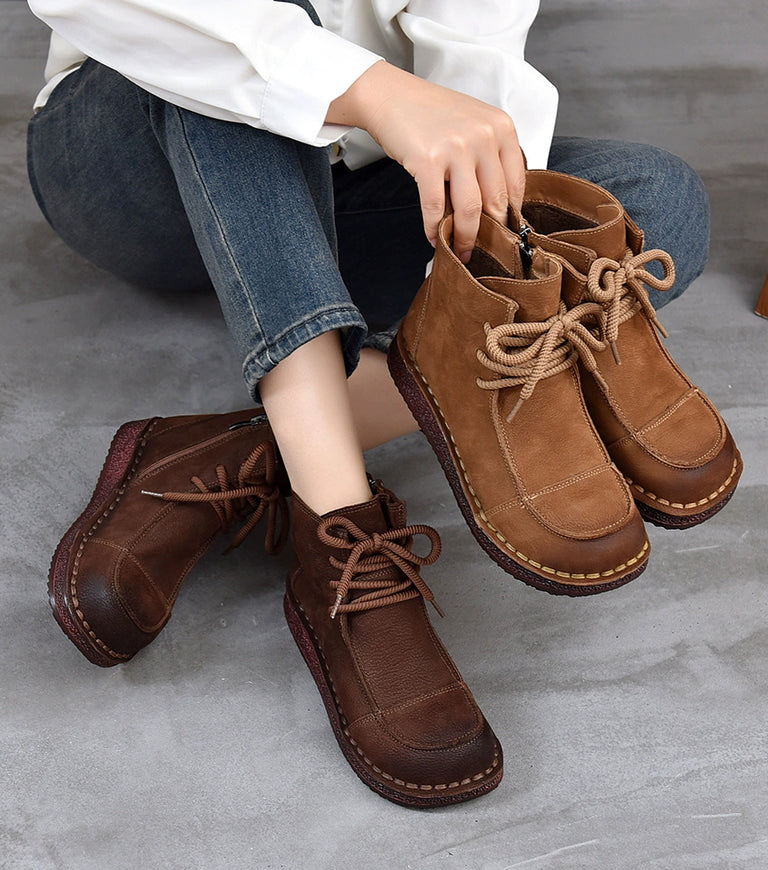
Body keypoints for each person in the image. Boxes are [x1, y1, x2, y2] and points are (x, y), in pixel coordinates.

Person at [26, 0, 734, 808]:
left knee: (652, 203)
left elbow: (479, 64)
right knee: (250, 46)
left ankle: (258, 450)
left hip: (353, 184)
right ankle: (339, 530)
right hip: (133, 161)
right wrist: (367, 89)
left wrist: (486, 278)